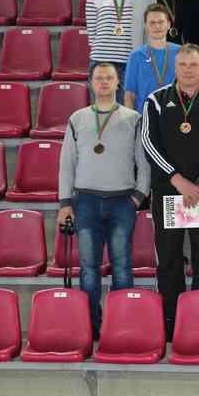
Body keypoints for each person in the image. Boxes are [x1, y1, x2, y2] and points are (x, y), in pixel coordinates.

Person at [142, 44, 199, 339]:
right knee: (169, 259)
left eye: (194, 65)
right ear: (175, 67)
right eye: (183, 64)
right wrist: (177, 180)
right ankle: (171, 326)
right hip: (169, 193)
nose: (188, 70)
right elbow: (149, 144)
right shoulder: (156, 101)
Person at [58, 63, 150, 338]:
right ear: (91, 82)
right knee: (88, 268)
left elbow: (143, 162)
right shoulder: (77, 118)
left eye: (109, 78)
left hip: (123, 201)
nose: (104, 82)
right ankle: (92, 327)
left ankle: (122, 327)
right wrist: (65, 203)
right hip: (85, 201)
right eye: (99, 78)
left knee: (122, 266)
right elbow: (67, 163)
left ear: (118, 82)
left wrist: (139, 196)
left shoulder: (133, 118)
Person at [86, 0, 143, 103]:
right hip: (101, 61)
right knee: (102, 109)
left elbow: (140, 30)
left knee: (126, 110)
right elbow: (92, 35)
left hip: (128, 61)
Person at [124, 4, 179, 111]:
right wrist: (131, 119)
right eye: (152, 23)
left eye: (161, 22)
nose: (157, 26)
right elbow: (129, 95)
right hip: (145, 115)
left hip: (175, 115)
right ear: (146, 26)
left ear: (168, 24)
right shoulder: (136, 56)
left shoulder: (181, 53)